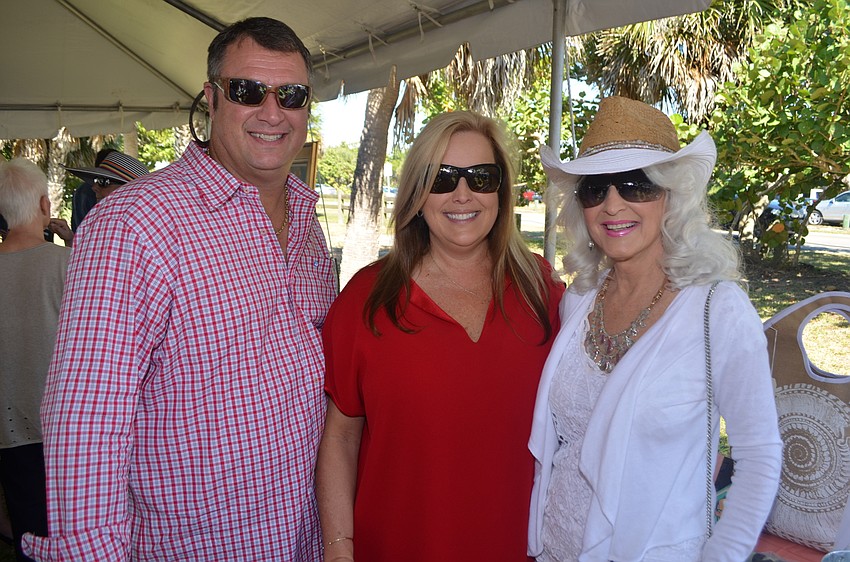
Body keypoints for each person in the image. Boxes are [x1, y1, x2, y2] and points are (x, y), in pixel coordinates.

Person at [22, 17, 337, 561]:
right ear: (211, 99)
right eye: (247, 91)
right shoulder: (135, 223)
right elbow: (87, 416)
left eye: (290, 95)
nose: (272, 112)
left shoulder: (308, 226)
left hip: (301, 544)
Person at [527, 96, 783, 562]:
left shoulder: (717, 310)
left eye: (636, 185)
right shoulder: (580, 300)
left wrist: (721, 556)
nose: (612, 205)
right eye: (595, 189)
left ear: (672, 196)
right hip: (554, 547)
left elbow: (760, 458)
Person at [316, 111, 565, 562]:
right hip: (394, 546)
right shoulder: (367, 300)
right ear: (416, 192)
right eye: (443, 178)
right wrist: (338, 550)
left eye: (482, 177)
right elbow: (340, 438)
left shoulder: (541, 289)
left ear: (501, 191)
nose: (463, 193)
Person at [0, 158, 70, 561]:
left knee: (30, 532)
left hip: (9, 427)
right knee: (73, 527)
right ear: (45, 204)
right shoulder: (68, 265)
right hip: (65, 423)